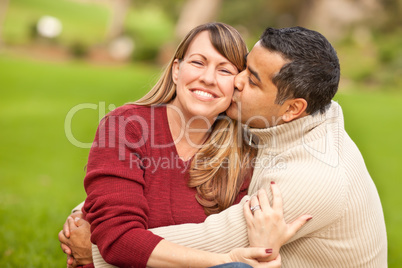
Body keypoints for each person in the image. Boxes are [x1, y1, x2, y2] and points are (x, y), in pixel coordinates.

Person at [63, 25, 388, 267]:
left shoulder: (308, 175)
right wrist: (97, 207)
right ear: (176, 69)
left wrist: (96, 246)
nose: (236, 82)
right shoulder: (288, 123)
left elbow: (221, 243)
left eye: (248, 77)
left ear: (293, 109)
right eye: (245, 68)